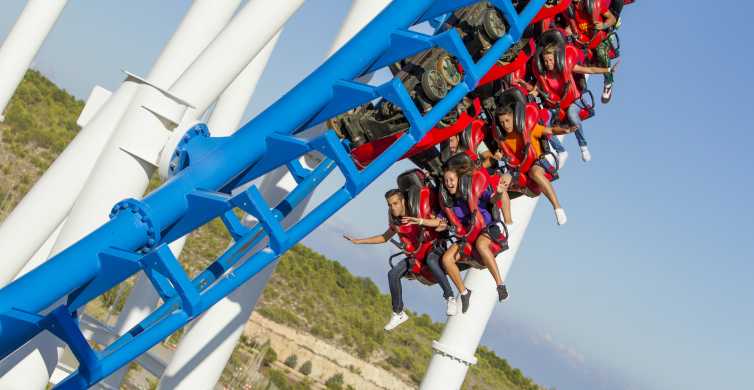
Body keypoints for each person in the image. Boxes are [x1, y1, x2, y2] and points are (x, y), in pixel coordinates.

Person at [343, 188, 458, 330]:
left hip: (432, 249)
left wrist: (427, 223)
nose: (393, 207)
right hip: (416, 256)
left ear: (403, 201)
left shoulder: (415, 213)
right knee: (393, 274)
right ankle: (398, 313)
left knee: (431, 261)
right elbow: (384, 237)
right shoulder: (396, 223)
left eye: (395, 203)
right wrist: (358, 241)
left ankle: (450, 297)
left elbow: (439, 223)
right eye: (390, 205)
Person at [431, 159, 510, 313]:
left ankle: (500, 285)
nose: (449, 183)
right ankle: (464, 292)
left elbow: (492, 199)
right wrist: (421, 221)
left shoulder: (474, 191)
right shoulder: (449, 204)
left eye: (452, 180)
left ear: (458, 179)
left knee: (481, 245)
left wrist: (499, 193)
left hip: (486, 229)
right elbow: (438, 221)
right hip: (467, 236)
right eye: (446, 181)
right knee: (446, 259)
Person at [528, 31, 616, 162]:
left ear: (557, 58)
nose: (548, 63)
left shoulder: (566, 67)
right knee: (542, 125)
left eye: (550, 60)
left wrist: (608, 70)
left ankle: (583, 146)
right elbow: (534, 92)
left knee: (572, 114)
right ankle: (561, 151)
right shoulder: (544, 76)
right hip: (556, 107)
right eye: (545, 61)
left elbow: (589, 70)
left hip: (574, 102)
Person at [493, 102, 574, 225]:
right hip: (519, 173)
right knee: (499, 185)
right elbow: (509, 160)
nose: (505, 125)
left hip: (537, 164)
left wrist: (565, 129)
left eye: (507, 120)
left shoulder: (528, 129)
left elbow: (550, 130)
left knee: (534, 172)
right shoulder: (504, 140)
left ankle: (557, 208)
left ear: (514, 118)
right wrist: (499, 156)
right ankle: (507, 224)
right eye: (502, 122)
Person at [566, 0, 619, 103]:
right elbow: (569, 26)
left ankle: (608, 81)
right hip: (582, 40)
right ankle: (577, 85)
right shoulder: (571, 8)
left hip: (598, 37)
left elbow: (612, 19)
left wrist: (603, 25)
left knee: (600, 51)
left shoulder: (594, 4)